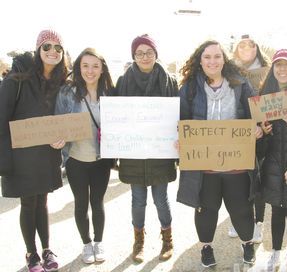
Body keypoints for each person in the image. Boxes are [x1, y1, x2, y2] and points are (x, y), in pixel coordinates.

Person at [177, 40, 263, 268]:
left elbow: (257, 116)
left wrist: (257, 128)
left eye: (217, 56)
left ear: (224, 60)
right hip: (204, 167)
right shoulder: (189, 89)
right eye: (207, 57)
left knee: (242, 209)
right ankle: (206, 247)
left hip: (236, 164)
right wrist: (180, 139)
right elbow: (180, 121)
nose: (212, 61)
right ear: (200, 60)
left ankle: (247, 243)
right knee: (206, 210)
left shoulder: (241, 85)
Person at [0, 29, 68, 272]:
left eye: (58, 48)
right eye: (47, 46)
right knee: (29, 203)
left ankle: (47, 249)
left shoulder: (61, 80)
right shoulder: (17, 78)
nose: (52, 51)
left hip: (47, 153)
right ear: (38, 49)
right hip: (22, 154)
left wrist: (64, 138)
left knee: (43, 202)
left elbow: (64, 119)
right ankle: (31, 254)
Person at [117, 34, 178, 263]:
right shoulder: (123, 81)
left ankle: (167, 240)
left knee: (161, 199)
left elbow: (177, 115)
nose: (144, 57)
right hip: (134, 153)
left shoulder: (169, 81)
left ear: (156, 54)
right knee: (137, 200)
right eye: (140, 53)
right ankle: (139, 241)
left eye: (149, 52)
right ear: (133, 55)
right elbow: (117, 117)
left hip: (160, 152)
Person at [54, 48, 114, 264]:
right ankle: (86, 244)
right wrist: (58, 139)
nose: (90, 70)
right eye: (85, 66)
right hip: (76, 159)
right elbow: (57, 122)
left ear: (102, 69)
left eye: (95, 66)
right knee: (81, 203)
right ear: (79, 68)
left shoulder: (110, 93)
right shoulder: (67, 92)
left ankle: (99, 242)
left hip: (101, 160)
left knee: (97, 202)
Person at [259, 49, 287, 272]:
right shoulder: (264, 97)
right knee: (276, 211)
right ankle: (275, 251)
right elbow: (257, 143)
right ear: (273, 69)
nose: (283, 69)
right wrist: (263, 132)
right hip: (274, 164)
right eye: (278, 65)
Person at [228, 34, 270, 243]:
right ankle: (239, 219)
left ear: (257, 48)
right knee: (238, 179)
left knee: (258, 180)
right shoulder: (228, 71)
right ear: (236, 49)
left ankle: (258, 223)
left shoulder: (267, 70)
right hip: (235, 133)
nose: (246, 48)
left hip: (260, 134)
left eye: (250, 45)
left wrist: (263, 126)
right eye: (241, 45)